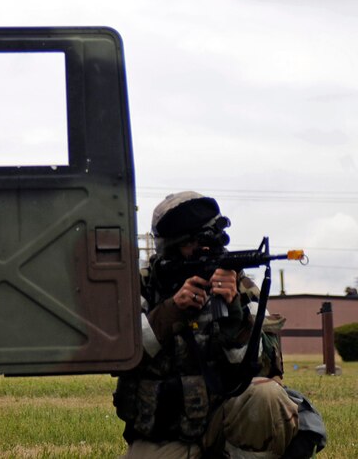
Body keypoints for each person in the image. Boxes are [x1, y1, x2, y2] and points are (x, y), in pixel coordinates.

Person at [114, 191, 326, 458]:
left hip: (227, 422)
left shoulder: (240, 286)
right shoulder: (143, 284)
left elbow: (264, 366)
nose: (206, 250)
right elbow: (122, 356)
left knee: (266, 397)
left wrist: (234, 312)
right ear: (170, 246)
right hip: (164, 433)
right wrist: (171, 311)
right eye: (193, 242)